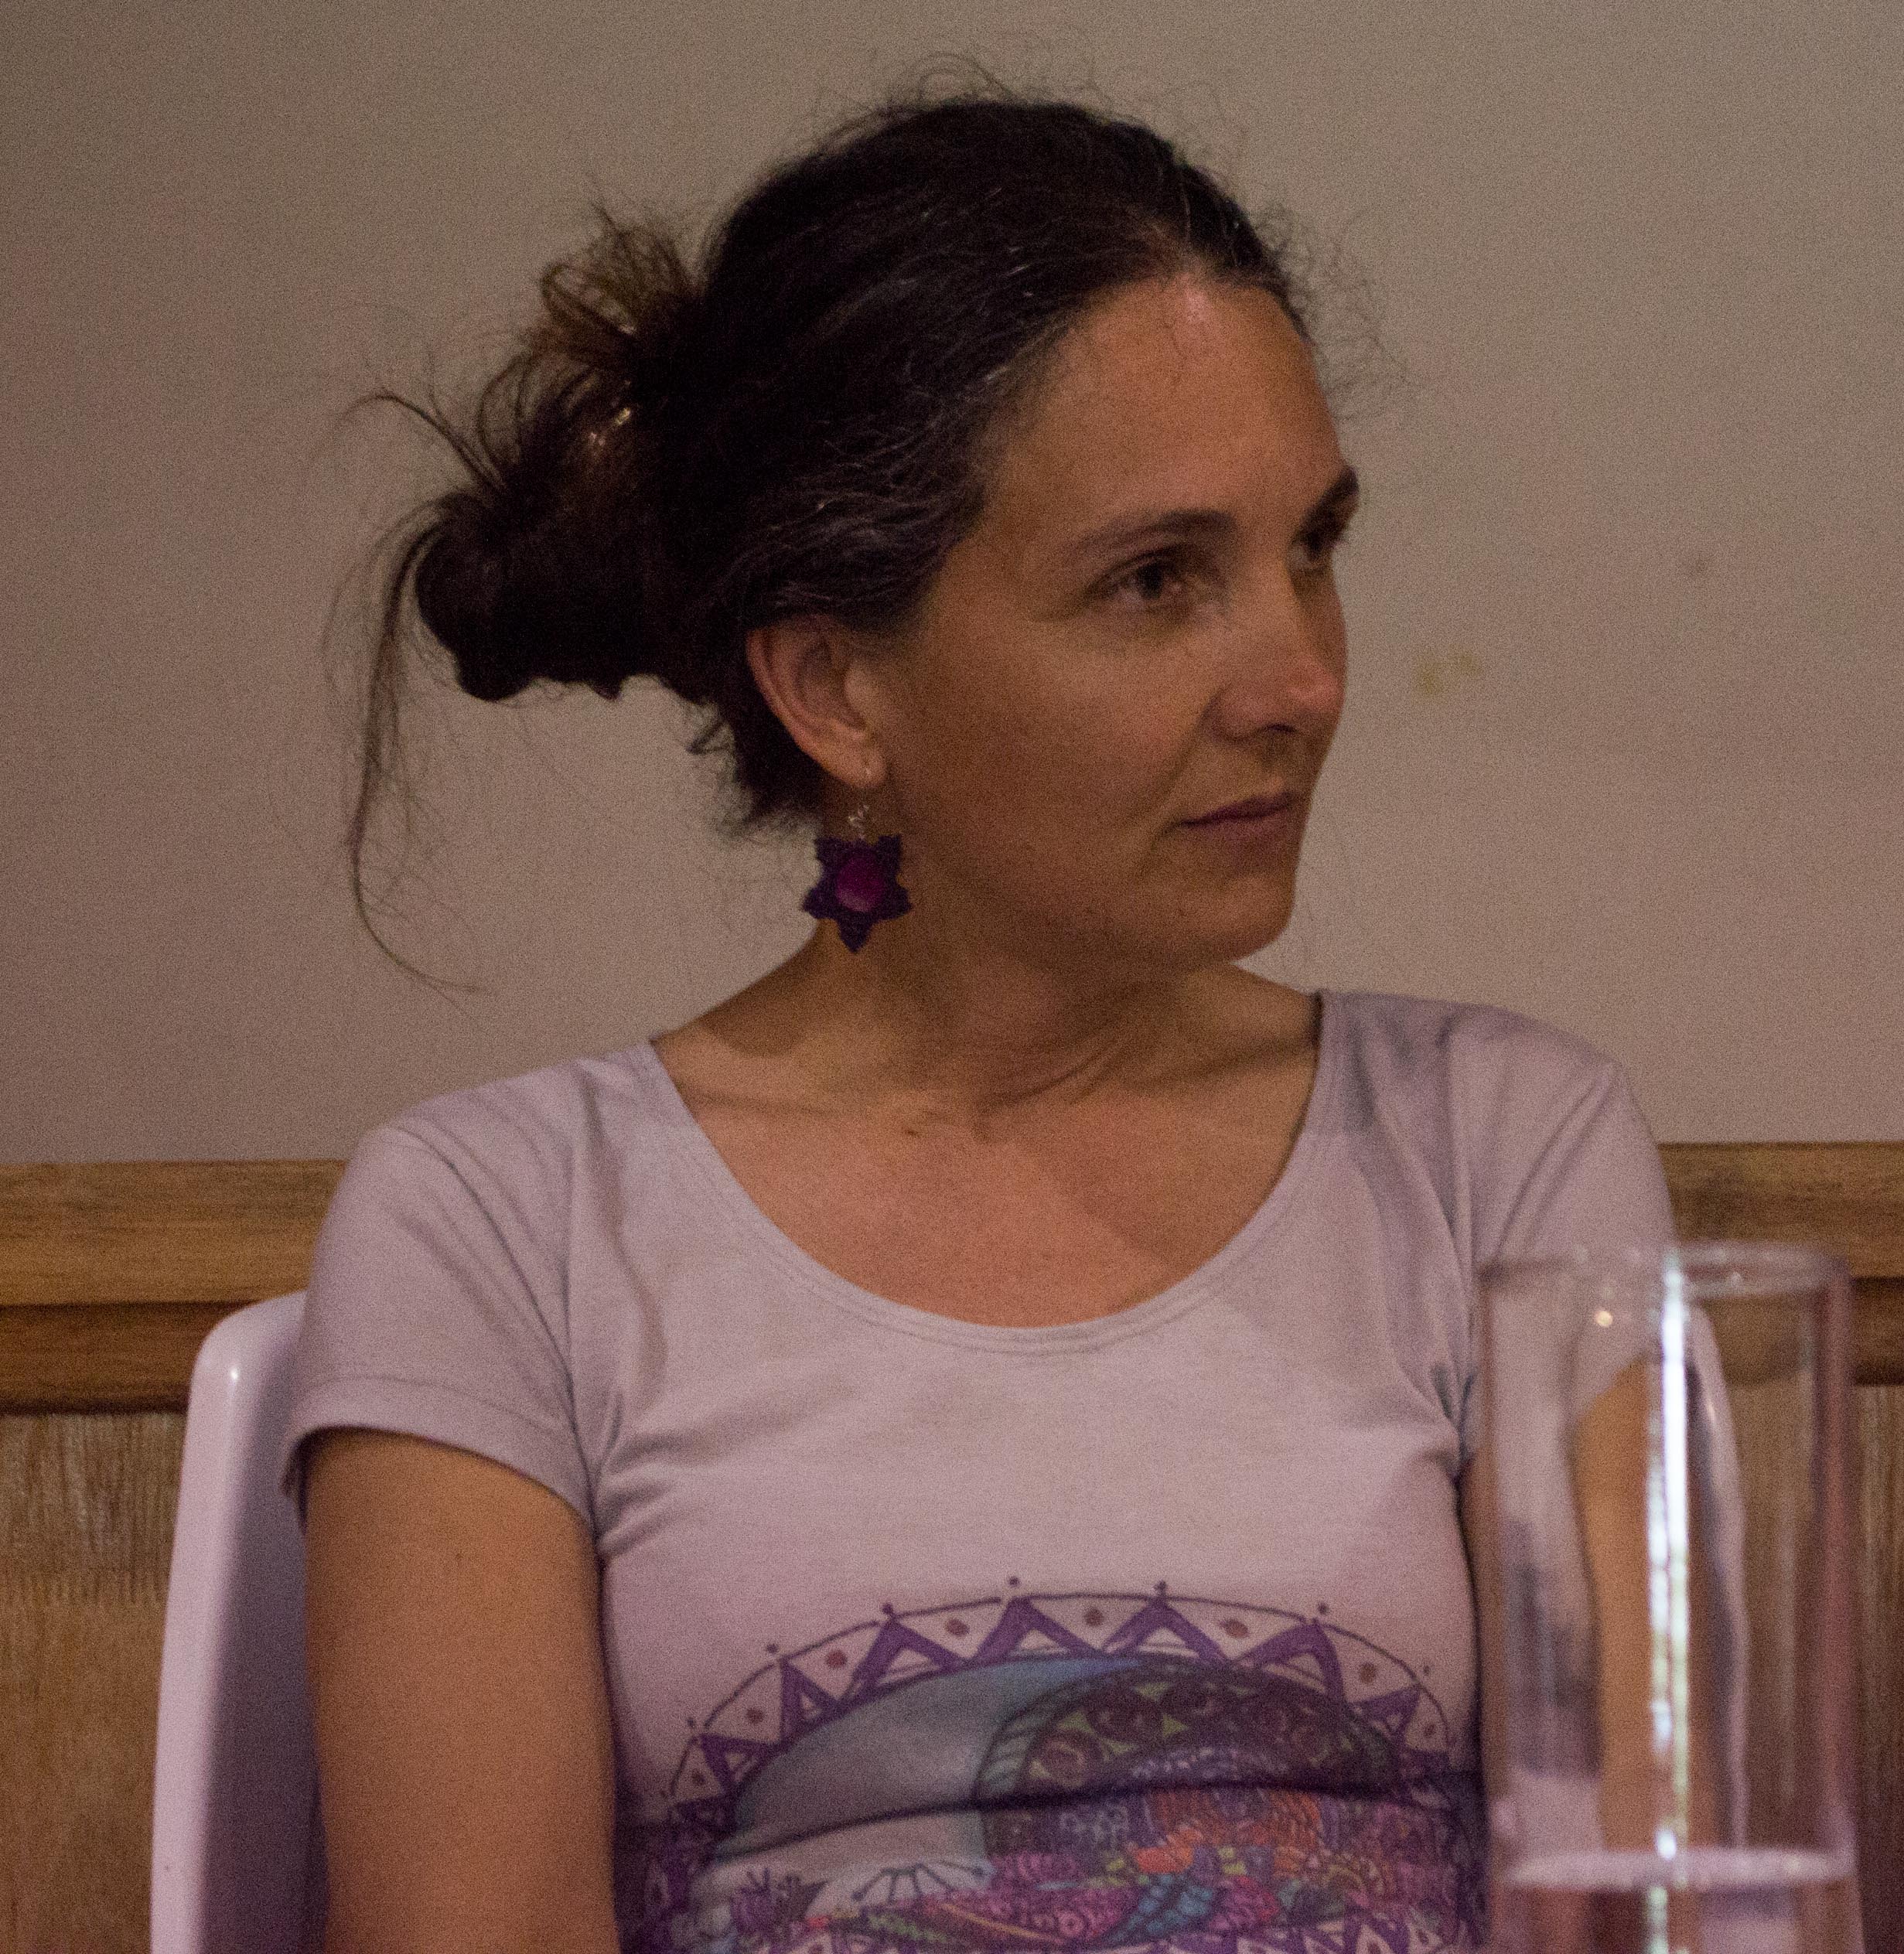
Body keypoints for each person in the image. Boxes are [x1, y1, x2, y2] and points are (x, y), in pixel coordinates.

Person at [284, 86, 1673, 1954]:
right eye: (1158, 580)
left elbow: (1662, 1889)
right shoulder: (503, 1226)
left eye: (1313, 547)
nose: (1301, 677)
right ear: (835, 686)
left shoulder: (1500, 1149)